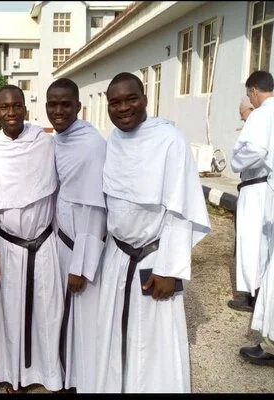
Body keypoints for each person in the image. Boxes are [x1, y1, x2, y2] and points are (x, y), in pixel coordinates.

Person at [95, 72, 211, 393]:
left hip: (153, 260)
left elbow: (180, 208)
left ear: (145, 99)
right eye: (115, 102)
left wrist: (169, 270)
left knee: (152, 347)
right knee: (115, 338)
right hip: (117, 257)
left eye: (131, 99)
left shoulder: (170, 141)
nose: (123, 108)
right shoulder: (112, 141)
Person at [0, 85, 63, 393]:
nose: (11, 112)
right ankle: (15, 376)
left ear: (25, 109)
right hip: (10, 246)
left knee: (48, 311)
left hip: (43, 243)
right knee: (11, 315)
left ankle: (51, 375)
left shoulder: (45, 144)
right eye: (5, 107)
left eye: (17, 106)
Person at [47, 78, 107, 393]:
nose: (58, 111)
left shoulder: (91, 145)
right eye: (52, 104)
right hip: (59, 242)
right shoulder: (57, 140)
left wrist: (81, 266)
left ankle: (81, 381)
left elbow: (95, 210)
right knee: (62, 314)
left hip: (80, 248)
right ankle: (64, 373)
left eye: (65, 104)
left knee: (82, 318)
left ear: (78, 107)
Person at [236, 70, 274, 366]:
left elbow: (256, 150)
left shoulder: (262, 115)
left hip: (260, 187)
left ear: (253, 91)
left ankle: (270, 343)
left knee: (255, 246)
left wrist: (235, 158)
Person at [229, 95, 260, 313]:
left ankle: (253, 296)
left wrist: (237, 156)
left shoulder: (259, 123)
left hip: (256, 190)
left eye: (244, 115)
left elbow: (250, 155)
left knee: (251, 243)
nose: (243, 120)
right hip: (254, 188)